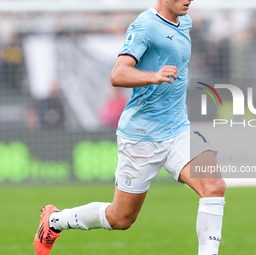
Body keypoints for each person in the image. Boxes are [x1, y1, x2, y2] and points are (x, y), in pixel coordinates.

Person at [34, 1, 226, 255]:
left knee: (214, 186)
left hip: (178, 128)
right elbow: (118, 74)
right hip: (142, 135)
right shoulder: (145, 26)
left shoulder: (185, 22)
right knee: (121, 218)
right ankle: (54, 221)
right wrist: (153, 75)